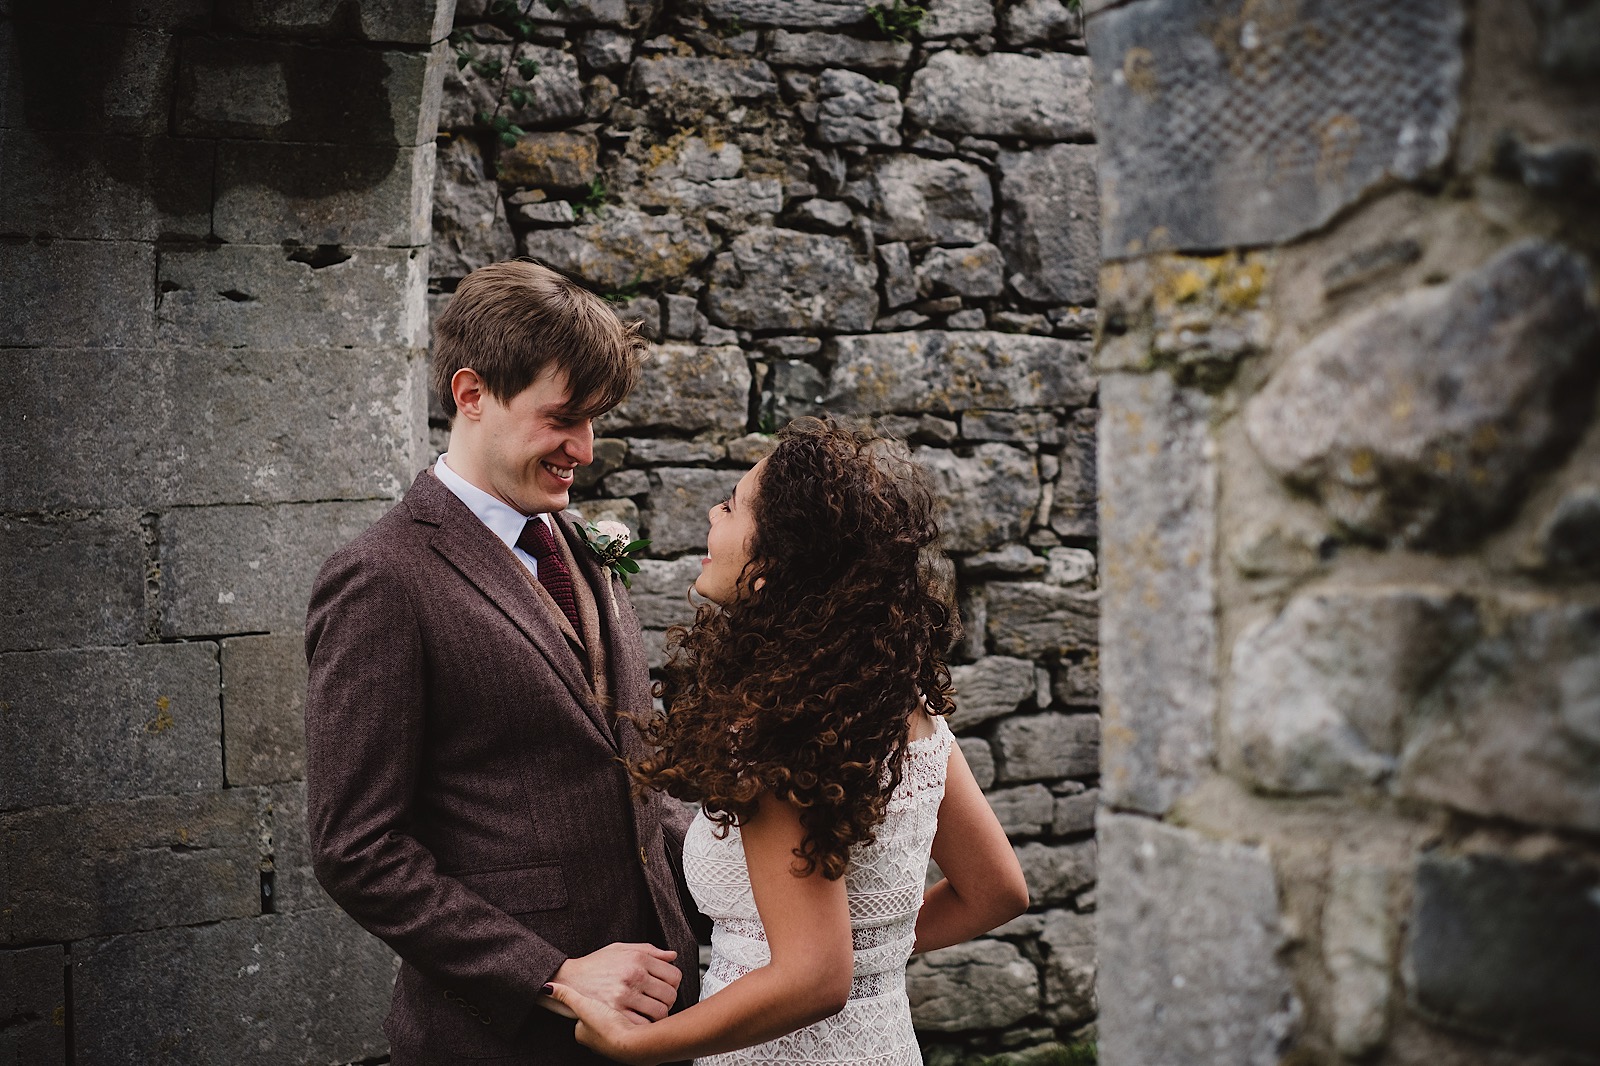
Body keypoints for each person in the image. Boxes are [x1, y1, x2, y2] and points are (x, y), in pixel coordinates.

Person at [303, 260, 700, 1065]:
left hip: (663, 1013)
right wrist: (553, 977)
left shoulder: (581, 546)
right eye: (563, 419)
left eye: (596, 421)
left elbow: (635, 772)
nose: (584, 450)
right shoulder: (382, 578)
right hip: (499, 1040)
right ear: (472, 393)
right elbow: (357, 849)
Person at [547, 418, 1030, 1065]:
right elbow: (995, 891)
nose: (713, 518)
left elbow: (813, 979)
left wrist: (643, 1045)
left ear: (774, 566)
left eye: (732, 506)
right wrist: (872, 955)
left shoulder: (778, 739)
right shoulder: (904, 710)